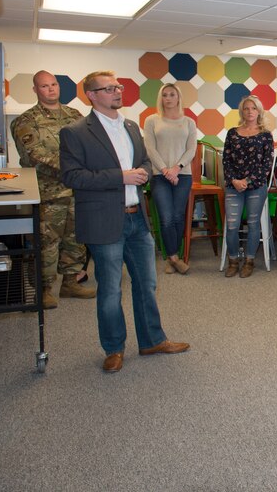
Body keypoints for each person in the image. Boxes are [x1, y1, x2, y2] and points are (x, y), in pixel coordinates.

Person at [60, 71, 189, 373]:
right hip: (105, 221)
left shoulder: (131, 126)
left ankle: (152, 340)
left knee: (147, 284)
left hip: (137, 219)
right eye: (109, 89)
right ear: (91, 95)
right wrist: (121, 177)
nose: (117, 92)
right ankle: (114, 348)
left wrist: (142, 171)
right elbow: (72, 176)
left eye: (117, 87)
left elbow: (143, 160)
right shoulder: (76, 131)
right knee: (110, 289)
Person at [10, 70, 95, 309]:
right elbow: (34, 155)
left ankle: (71, 282)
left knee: (76, 238)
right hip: (47, 193)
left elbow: (89, 145)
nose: (51, 89)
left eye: (54, 84)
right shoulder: (26, 120)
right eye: (44, 86)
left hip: (77, 191)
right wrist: (73, 167)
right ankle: (44, 289)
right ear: (35, 90)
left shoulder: (75, 115)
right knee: (46, 242)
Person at [143, 83, 197, 275]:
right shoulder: (152, 121)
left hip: (182, 175)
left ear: (178, 98)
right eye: (164, 95)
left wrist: (176, 169)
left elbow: (191, 149)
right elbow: (150, 149)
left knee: (177, 217)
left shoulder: (189, 122)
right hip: (160, 176)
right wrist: (166, 170)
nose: (168, 98)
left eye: (172, 94)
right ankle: (173, 257)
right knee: (166, 218)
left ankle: (174, 257)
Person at [222, 95, 274, 278]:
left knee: (253, 224)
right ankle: (234, 260)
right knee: (232, 225)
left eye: (253, 108)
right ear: (242, 111)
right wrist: (235, 180)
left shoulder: (266, 135)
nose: (250, 111)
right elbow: (226, 160)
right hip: (233, 186)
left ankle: (249, 261)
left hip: (256, 186)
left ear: (259, 111)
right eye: (246, 108)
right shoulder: (232, 133)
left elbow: (266, 165)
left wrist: (248, 181)